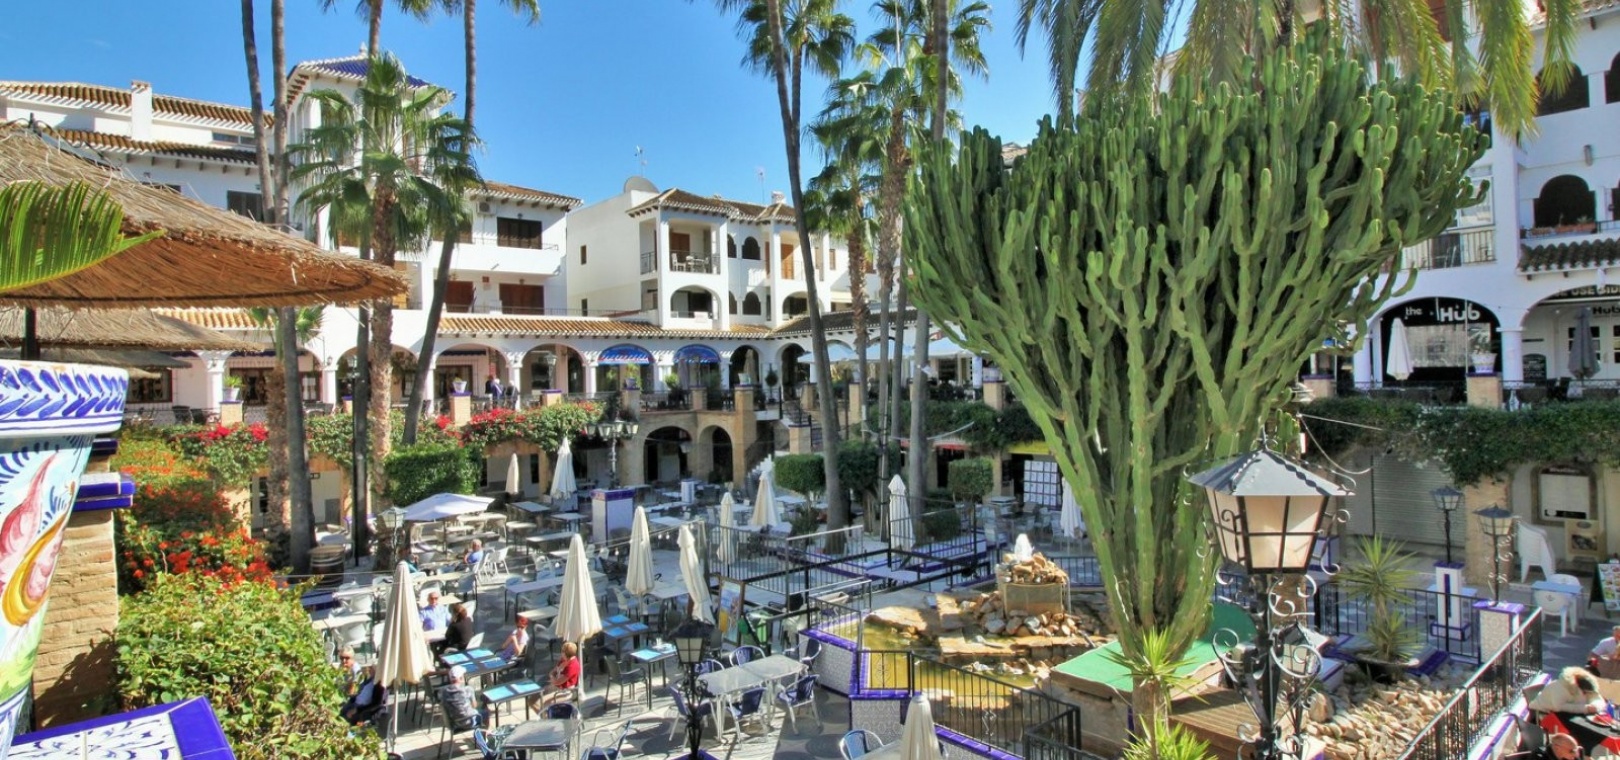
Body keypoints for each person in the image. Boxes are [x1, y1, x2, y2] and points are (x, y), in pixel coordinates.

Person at [1533, 667, 1610, 715]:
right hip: (1545, 712)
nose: (1586, 694)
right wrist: (1585, 709)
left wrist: (1595, 706)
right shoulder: (1560, 687)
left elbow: (1597, 698)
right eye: (1585, 692)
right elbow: (1558, 707)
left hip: (1568, 714)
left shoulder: (1586, 686)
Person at [530, 641, 582, 710]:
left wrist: (552, 677)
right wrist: (552, 677)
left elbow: (557, 682)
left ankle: (546, 715)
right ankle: (544, 714)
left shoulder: (573, 665)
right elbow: (552, 672)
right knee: (531, 700)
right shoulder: (563, 660)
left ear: (566, 653)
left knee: (539, 703)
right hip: (554, 687)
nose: (561, 653)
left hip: (565, 691)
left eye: (562, 651)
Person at [437, 665, 484, 731]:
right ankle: (483, 735)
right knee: (486, 712)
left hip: (453, 724)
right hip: (469, 722)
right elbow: (474, 706)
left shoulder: (443, 691)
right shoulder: (468, 689)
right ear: (461, 678)